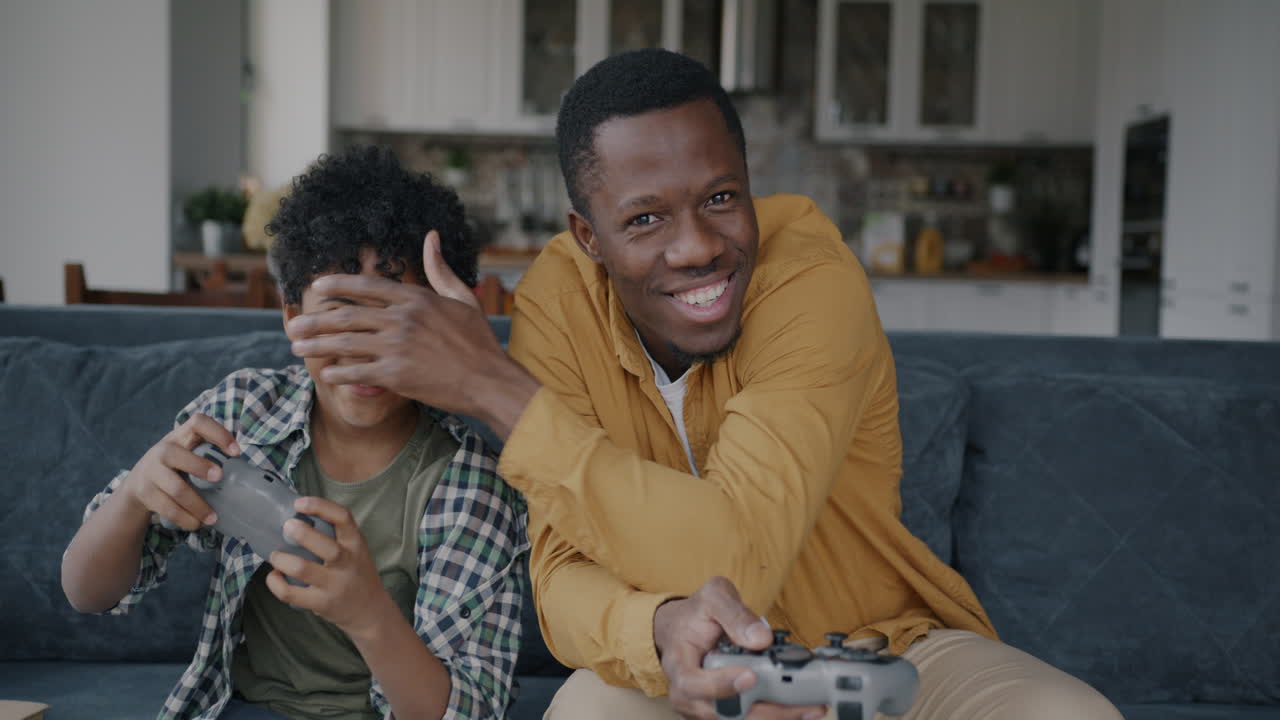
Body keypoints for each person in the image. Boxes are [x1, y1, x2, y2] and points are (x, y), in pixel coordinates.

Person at [284, 51, 1123, 720]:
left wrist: (491, 386)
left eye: (721, 198)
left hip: (878, 653)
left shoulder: (810, 278)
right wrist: (656, 632)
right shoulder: (557, 302)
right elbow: (560, 579)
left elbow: (735, 556)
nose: (696, 248)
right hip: (680, 669)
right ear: (588, 236)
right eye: (645, 218)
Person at [60, 146, 528, 720]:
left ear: (442, 327)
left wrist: (368, 614)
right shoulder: (244, 412)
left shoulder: (472, 484)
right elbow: (87, 591)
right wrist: (135, 493)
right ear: (291, 316)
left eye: (397, 316)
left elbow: (466, 712)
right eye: (339, 310)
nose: (362, 346)